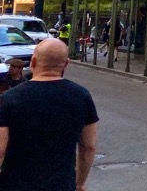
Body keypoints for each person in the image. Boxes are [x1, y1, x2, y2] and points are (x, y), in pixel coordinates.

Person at [0, 38, 98, 191]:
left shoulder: (9, 98)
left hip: (16, 184)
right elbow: (89, 147)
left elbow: (0, 148)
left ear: (33, 62)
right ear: (66, 64)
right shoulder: (81, 96)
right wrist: (79, 183)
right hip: (61, 184)